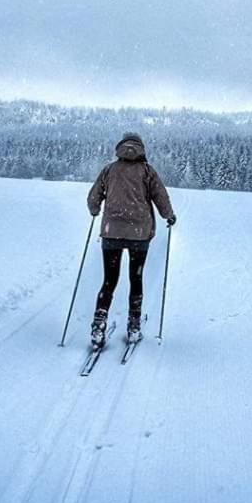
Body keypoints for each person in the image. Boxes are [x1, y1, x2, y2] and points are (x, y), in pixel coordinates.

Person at [86, 132, 176, 347]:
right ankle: (133, 326)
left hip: (112, 232)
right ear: (141, 148)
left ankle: (99, 325)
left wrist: (95, 209)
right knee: (136, 279)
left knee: (109, 281)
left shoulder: (109, 169)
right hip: (138, 234)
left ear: (120, 147)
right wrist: (169, 215)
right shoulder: (147, 171)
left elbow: (93, 196)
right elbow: (160, 196)